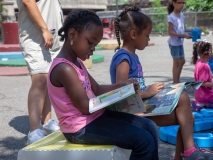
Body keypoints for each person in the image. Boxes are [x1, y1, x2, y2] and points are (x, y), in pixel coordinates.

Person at [110, 5, 213, 160]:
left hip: (141, 107)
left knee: (187, 114)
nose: (149, 39)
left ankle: (187, 153)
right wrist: (147, 92)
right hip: (131, 113)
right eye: (147, 35)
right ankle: (189, 152)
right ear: (134, 34)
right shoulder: (123, 57)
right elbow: (121, 91)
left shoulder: (132, 56)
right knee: (185, 111)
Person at [47, 9, 160, 160]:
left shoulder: (77, 63)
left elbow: (97, 89)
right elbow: (85, 107)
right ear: (72, 34)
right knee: (143, 141)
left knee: (150, 127)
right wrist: (115, 97)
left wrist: (124, 86)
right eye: (90, 42)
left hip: (94, 118)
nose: (93, 49)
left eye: (95, 44)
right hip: (79, 129)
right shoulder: (64, 68)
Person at [17, 0, 63, 144]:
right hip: (35, 36)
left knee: (50, 79)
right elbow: (27, 1)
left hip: (52, 35)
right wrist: (44, 29)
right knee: (40, 79)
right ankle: (34, 130)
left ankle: (47, 121)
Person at [167, 0, 192, 83]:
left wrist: (189, 32)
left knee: (182, 61)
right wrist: (183, 35)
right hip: (174, 43)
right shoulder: (171, 17)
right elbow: (170, 32)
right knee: (176, 62)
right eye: (179, 2)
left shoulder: (182, 15)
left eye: (183, 3)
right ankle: (175, 82)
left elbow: (182, 28)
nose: (182, 5)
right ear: (174, 3)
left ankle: (177, 80)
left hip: (180, 42)